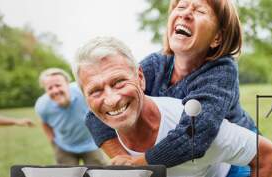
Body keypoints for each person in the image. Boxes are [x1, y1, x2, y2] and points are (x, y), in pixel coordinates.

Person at [73, 36, 272, 177]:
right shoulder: (102, 121)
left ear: (140, 78)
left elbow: (269, 155)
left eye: (119, 82)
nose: (111, 99)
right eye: (96, 91)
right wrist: (123, 161)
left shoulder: (193, 125)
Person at [84, 0, 256, 167]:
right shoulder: (155, 64)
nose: (186, 13)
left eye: (200, 11)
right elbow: (95, 117)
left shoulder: (221, 70)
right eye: (181, 6)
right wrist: (123, 158)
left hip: (237, 154)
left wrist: (141, 164)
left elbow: (195, 134)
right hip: (187, 157)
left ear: (217, 38)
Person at [35, 68, 106, 165]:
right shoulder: (42, 105)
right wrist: (53, 143)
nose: (55, 90)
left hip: (91, 143)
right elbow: (45, 123)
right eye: (50, 88)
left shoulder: (83, 92)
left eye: (58, 85)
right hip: (64, 147)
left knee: (98, 175)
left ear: (67, 84)